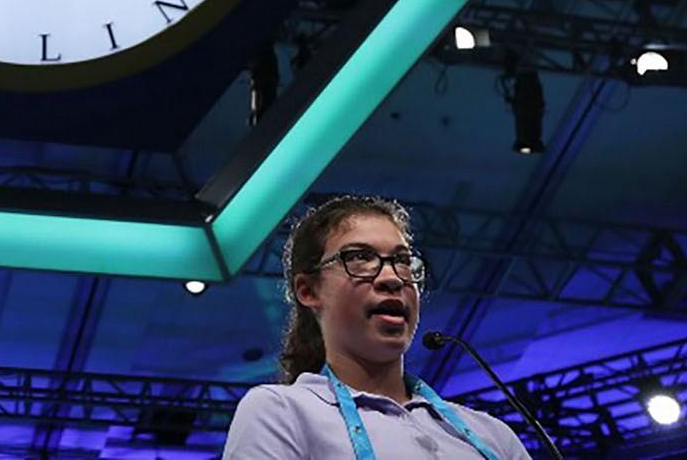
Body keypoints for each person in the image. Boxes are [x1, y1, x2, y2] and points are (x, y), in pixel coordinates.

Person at [224, 196, 530, 459]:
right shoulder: (282, 411)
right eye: (360, 257)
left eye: (402, 260)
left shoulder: (494, 435)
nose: (392, 278)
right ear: (308, 291)